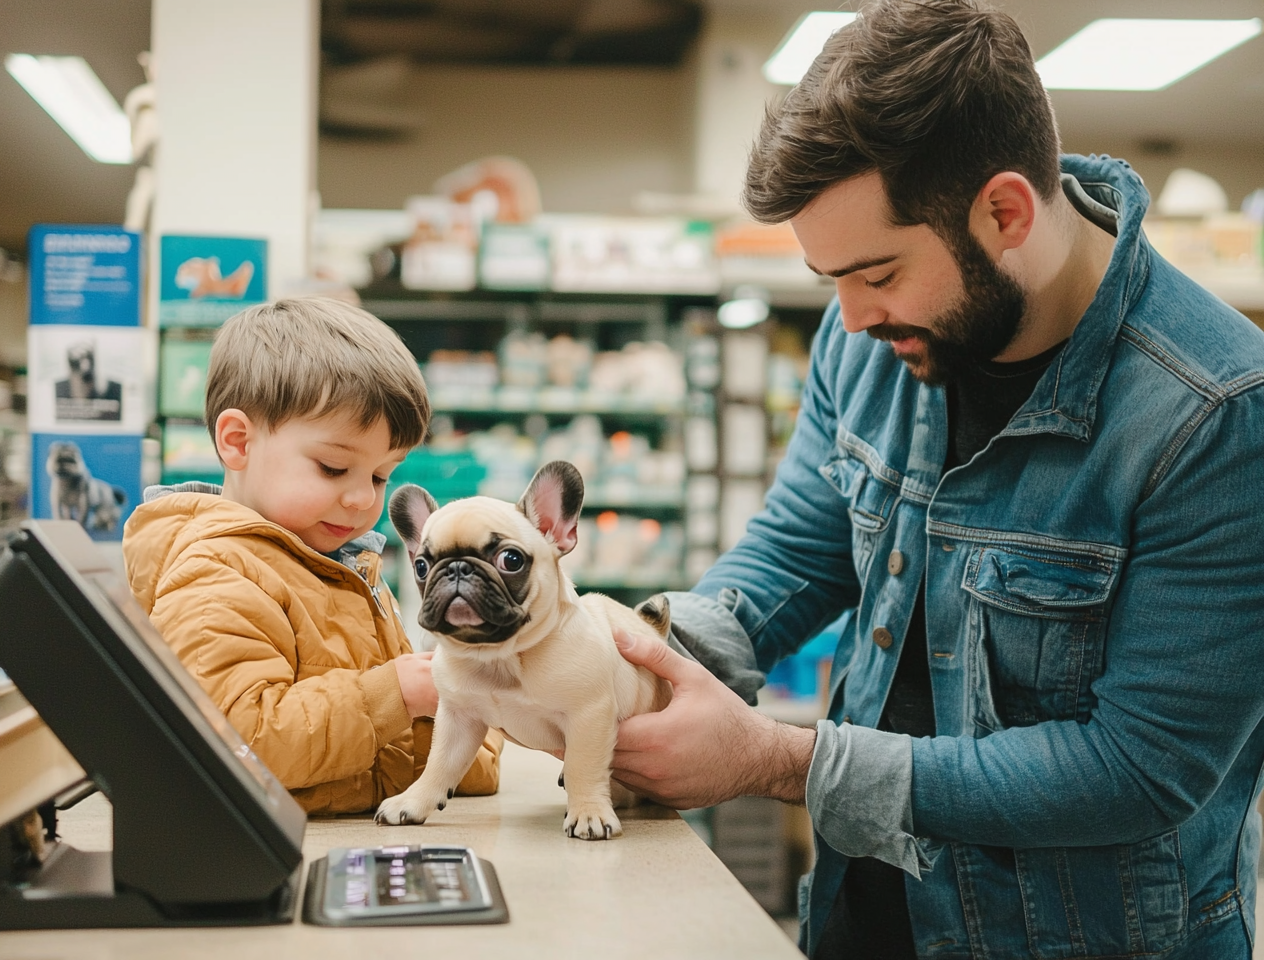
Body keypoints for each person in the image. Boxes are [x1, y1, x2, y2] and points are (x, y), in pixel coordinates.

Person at [608, 1, 1264, 957]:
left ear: (1004, 211)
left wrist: (777, 761)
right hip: (867, 910)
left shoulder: (1216, 414)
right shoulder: (865, 329)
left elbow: (1139, 767)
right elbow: (807, 537)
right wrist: (648, 655)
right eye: (828, 277)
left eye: (875, 272)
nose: (850, 318)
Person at [123, 297, 501, 815]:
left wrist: (477, 715)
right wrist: (398, 693)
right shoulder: (213, 576)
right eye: (331, 467)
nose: (363, 499)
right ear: (238, 442)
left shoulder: (339, 562)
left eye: (380, 475)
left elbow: (399, 756)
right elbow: (239, 744)